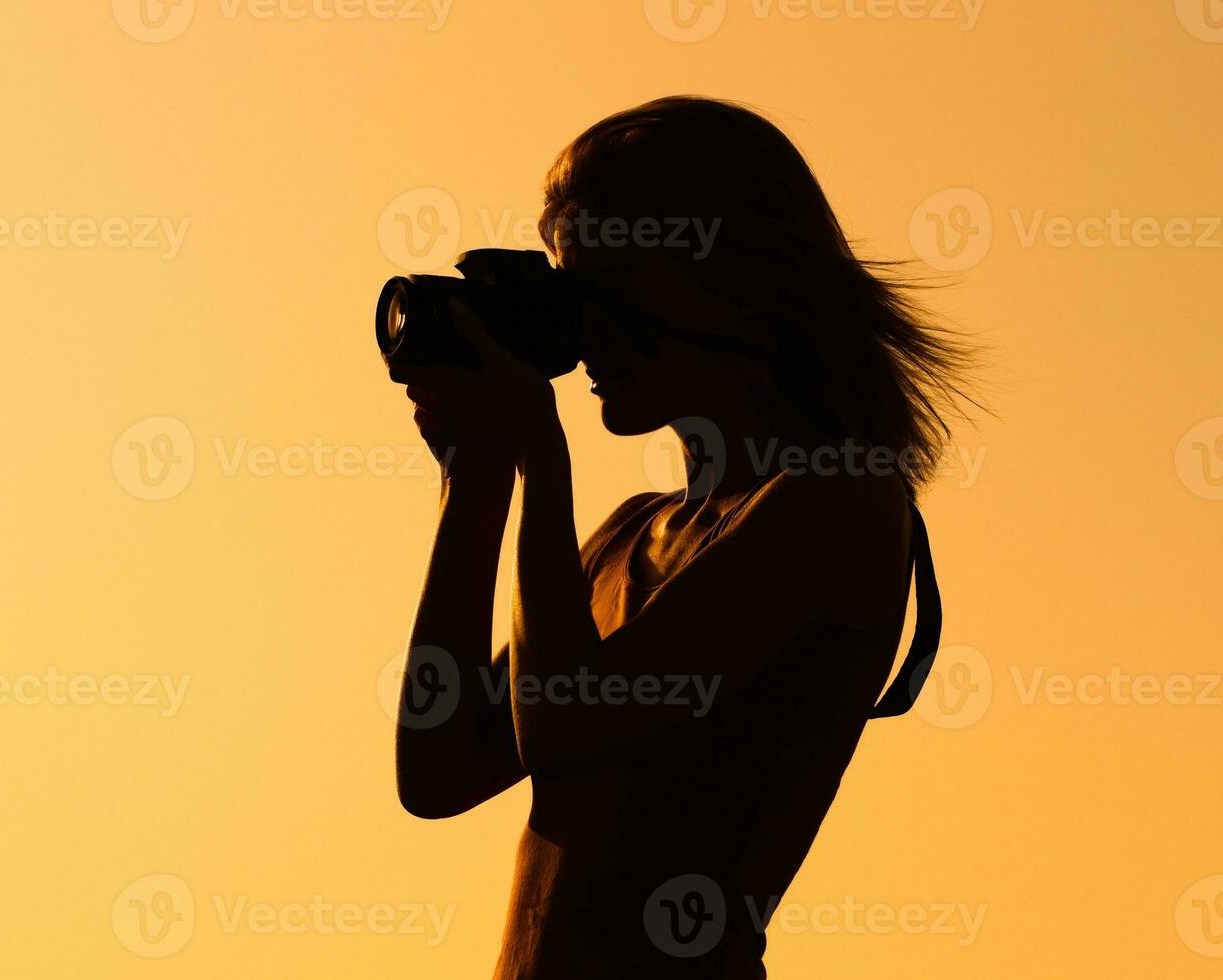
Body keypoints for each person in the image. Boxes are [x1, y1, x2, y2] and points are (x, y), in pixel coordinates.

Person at [389, 95, 978, 979]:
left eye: (607, 289)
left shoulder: (838, 503)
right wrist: (473, 479)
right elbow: (437, 770)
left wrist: (543, 464)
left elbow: (565, 725)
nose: (580, 331)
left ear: (730, 286)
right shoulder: (631, 536)